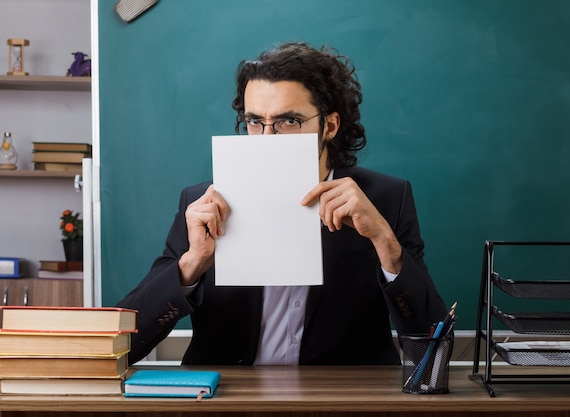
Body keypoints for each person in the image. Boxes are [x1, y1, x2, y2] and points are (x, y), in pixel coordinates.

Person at [117, 42, 448, 366]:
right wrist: (189, 266)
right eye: (255, 122)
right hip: (229, 398)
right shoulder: (202, 205)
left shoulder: (386, 200)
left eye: (289, 122)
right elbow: (124, 345)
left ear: (329, 126)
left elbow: (432, 348)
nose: (266, 139)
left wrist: (385, 242)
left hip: (343, 399)